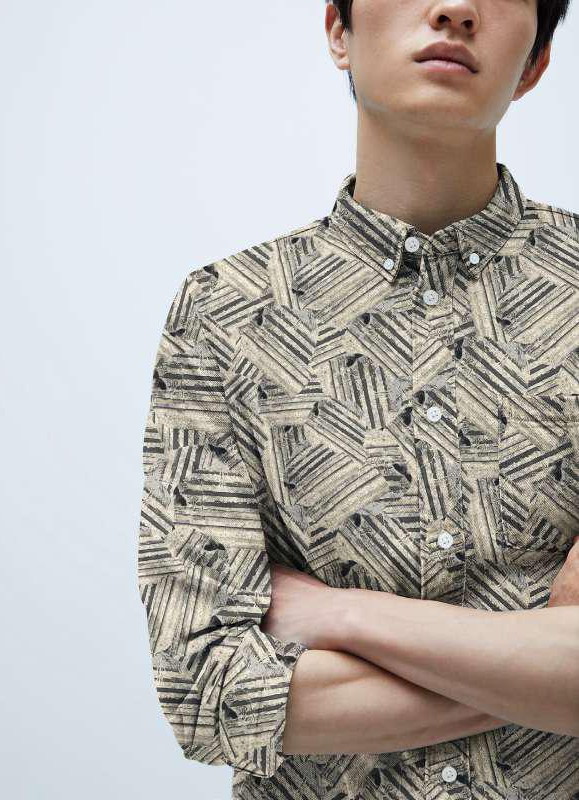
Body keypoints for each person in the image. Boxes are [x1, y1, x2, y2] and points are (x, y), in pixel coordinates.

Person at [137, 2, 579, 798]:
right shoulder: (226, 315)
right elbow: (207, 695)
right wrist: (535, 660)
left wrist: (340, 615)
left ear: (536, 63)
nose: (455, 9)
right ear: (339, 31)